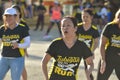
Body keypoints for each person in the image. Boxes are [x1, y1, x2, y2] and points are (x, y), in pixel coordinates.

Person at [41, 16, 93, 80]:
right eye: (63, 26)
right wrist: (46, 78)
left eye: (68, 25)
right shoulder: (56, 43)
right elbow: (44, 62)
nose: (65, 28)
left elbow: (90, 63)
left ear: (75, 28)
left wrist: (88, 72)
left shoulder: (82, 46)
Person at [0, 7, 30, 80]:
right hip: (4, 58)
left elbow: (28, 43)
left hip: (17, 59)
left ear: (15, 16)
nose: (8, 18)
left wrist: (18, 45)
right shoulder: (2, 29)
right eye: (6, 16)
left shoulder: (22, 28)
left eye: (10, 16)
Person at [97, 9, 120, 80]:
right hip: (108, 58)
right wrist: (103, 60)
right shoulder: (110, 27)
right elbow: (102, 44)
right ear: (118, 17)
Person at [77, 9, 100, 80]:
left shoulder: (94, 30)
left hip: (87, 52)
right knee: (72, 67)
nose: (85, 18)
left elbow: (96, 42)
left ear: (91, 17)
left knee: (88, 70)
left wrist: (92, 51)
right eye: (83, 16)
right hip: (76, 50)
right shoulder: (77, 27)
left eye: (87, 17)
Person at [11, 5, 29, 80]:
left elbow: (26, 39)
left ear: (19, 12)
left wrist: (25, 50)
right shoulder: (10, 21)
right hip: (11, 48)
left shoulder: (23, 24)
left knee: (21, 67)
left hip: (20, 48)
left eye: (15, 11)